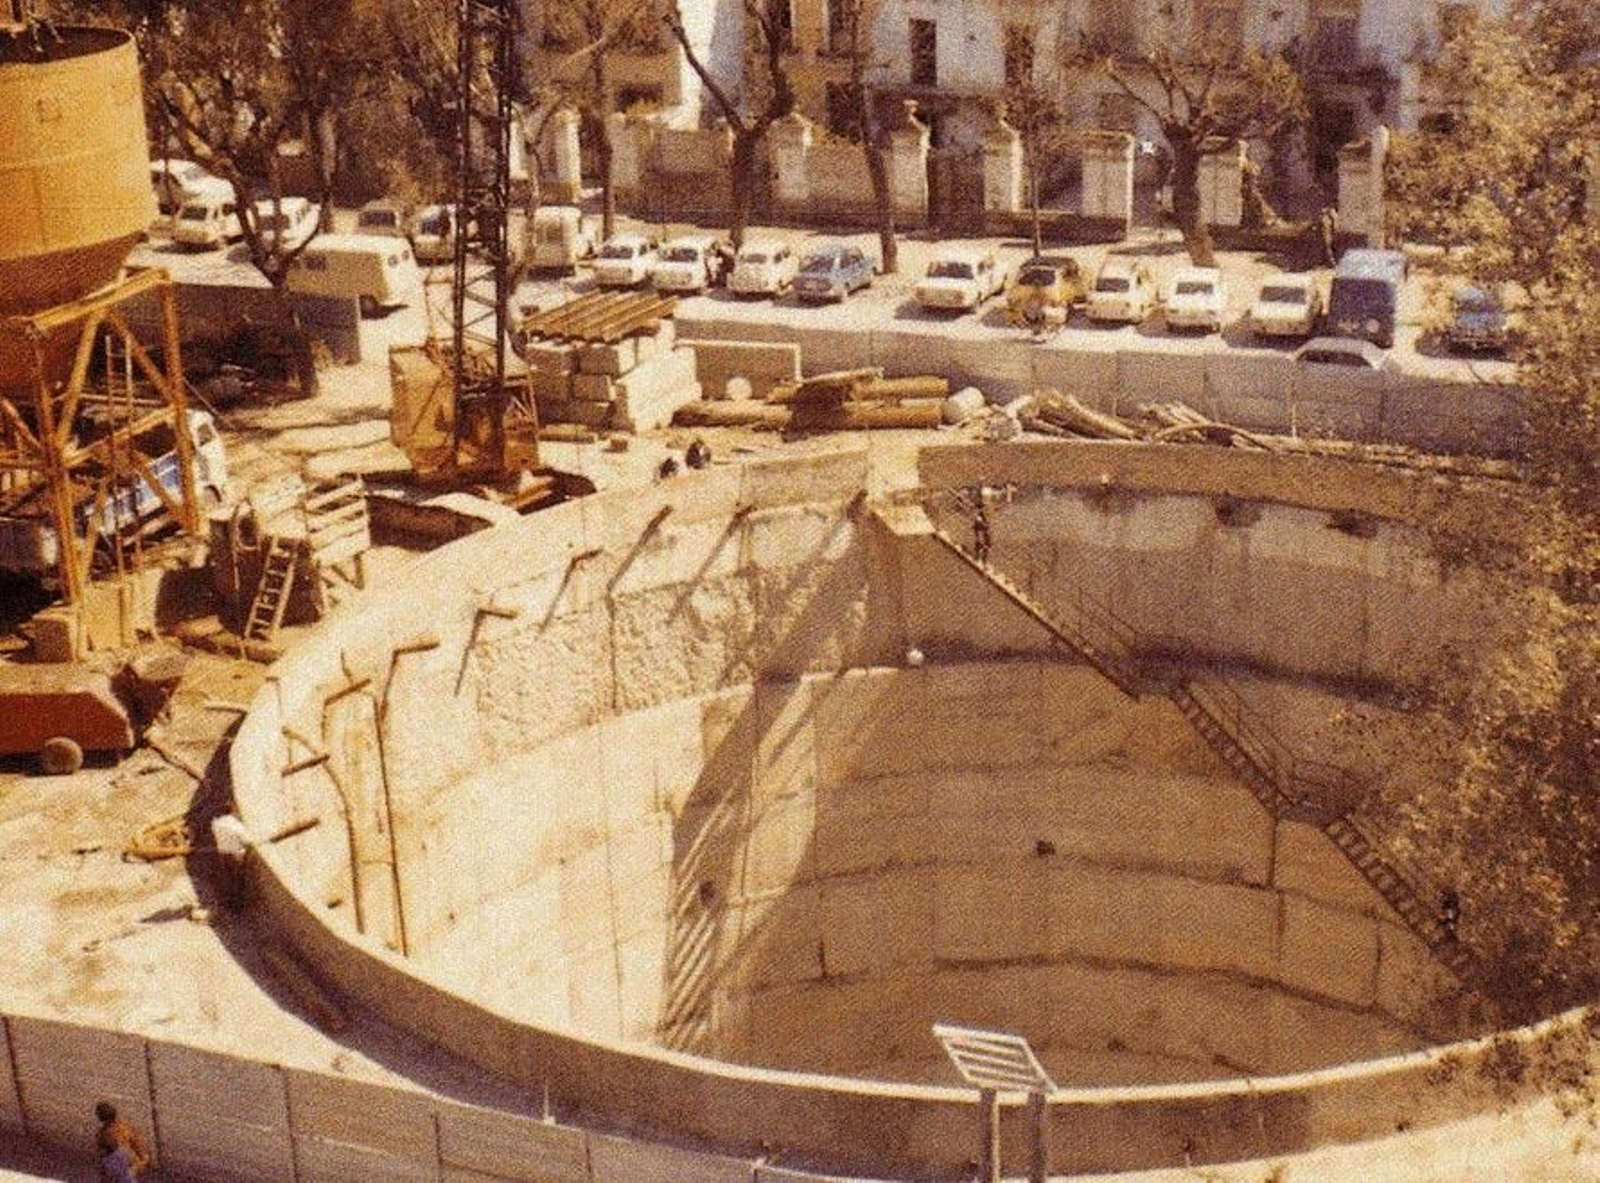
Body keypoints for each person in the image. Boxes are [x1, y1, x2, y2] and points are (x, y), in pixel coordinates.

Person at [95, 1101, 151, 1181]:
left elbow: (102, 1161)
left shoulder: (102, 1134)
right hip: (129, 1168)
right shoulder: (126, 1127)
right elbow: (142, 1151)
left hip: (126, 1169)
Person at [971, 495, 992, 565]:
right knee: (981, 544)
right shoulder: (978, 515)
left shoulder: (981, 513)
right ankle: (980, 559)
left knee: (986, 545)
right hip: (980, 528)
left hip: (983, 529)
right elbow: (979, 523)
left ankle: (982, 560)